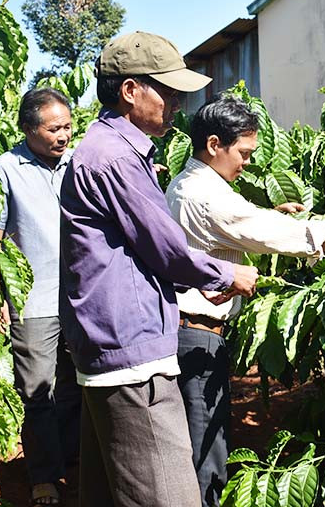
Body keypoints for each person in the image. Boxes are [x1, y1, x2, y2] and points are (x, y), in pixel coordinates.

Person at [58, 31, 259, 507]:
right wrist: (227, 276)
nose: (176, 104)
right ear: (130, 91)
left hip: (110, 346)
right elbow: (165, 246)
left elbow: (137, 250)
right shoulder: (114, 158)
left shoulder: (109, 149)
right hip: (131, 357)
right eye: (166, 92)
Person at [165, 93, 325, 506]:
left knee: (202, 443)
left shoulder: (193, 183)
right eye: (244, 152)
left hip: (189, 333)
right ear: (214, 145)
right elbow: (277, 233)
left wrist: (272, 212)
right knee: (207, 452)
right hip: (197, 338)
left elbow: (234, 223)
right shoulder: (204, 195)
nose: (248, 162)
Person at [0, 87, 80, 507]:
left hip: (83, 297)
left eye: (68, 127)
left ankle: (72, 460)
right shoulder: (4, 169)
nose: (63, 136)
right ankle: (44, 475)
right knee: (39, 390)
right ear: (28, 129)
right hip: (34, 299)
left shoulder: (79, 163)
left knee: (78, 385)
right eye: (54, 129)